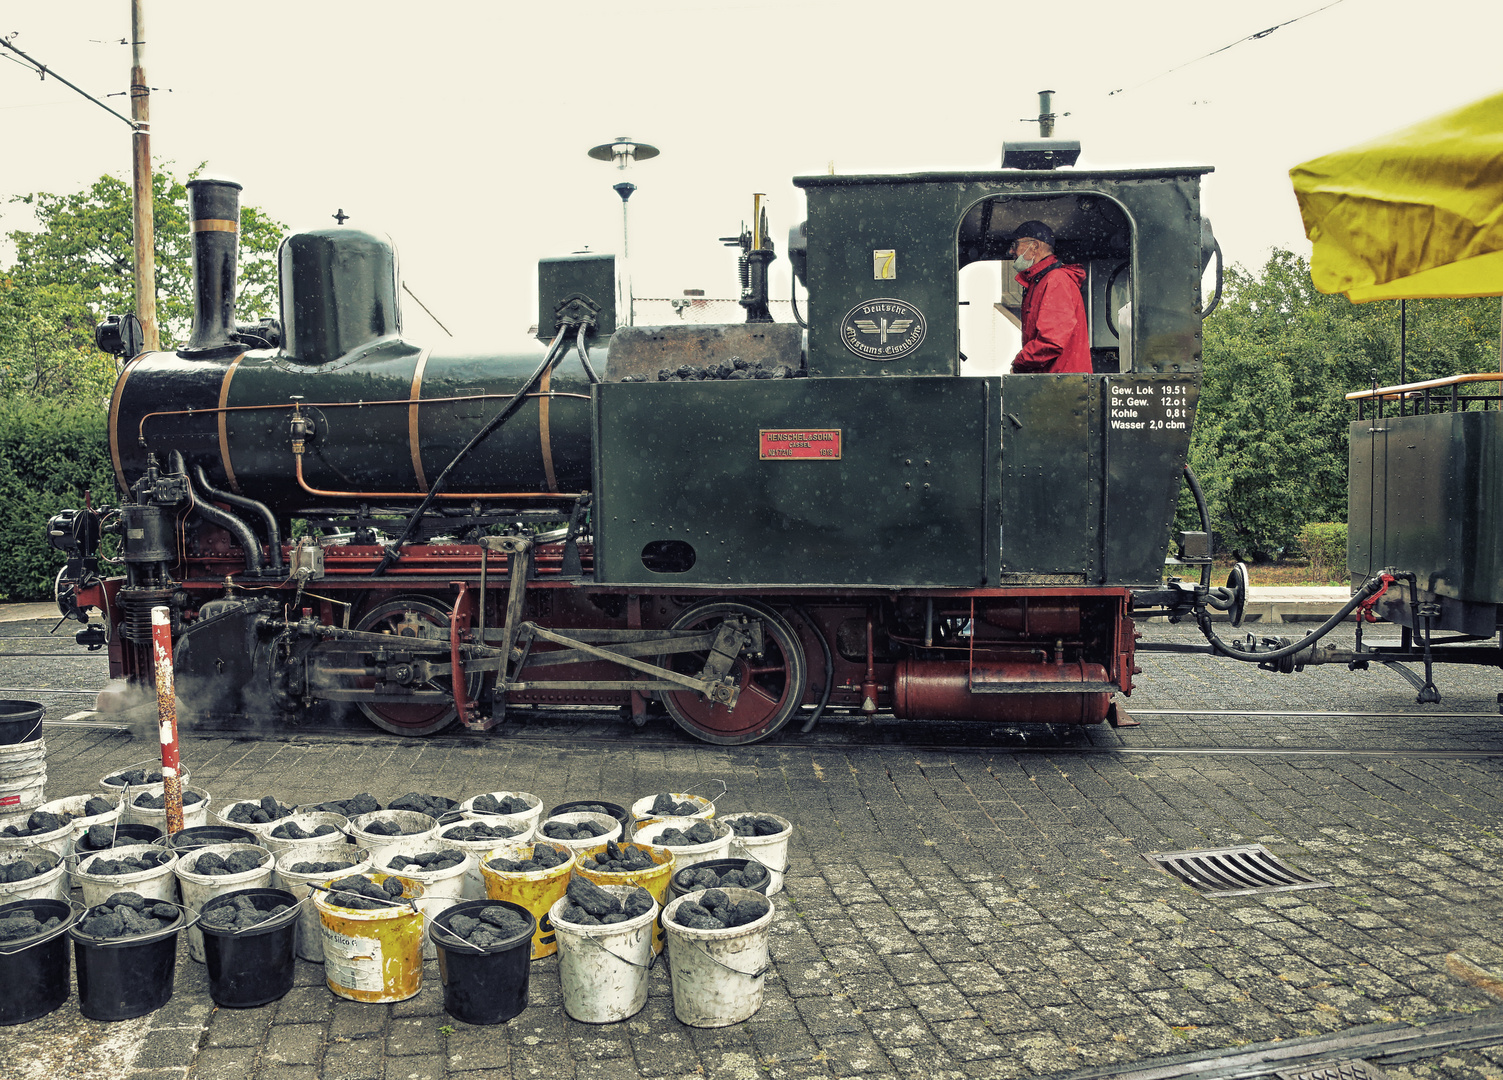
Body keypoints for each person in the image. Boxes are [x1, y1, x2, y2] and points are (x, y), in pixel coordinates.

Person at [1007, 221, 1091, 374]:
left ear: (1035, 246)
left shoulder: (1055, 280)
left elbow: (1052, 340)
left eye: (1015, 244)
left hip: (1061, 385)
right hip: (1054, 383)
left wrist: (1020, 362)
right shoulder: (1040, 282)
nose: (1011, 251)